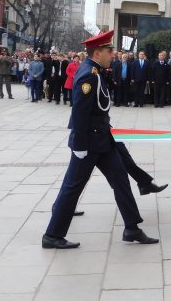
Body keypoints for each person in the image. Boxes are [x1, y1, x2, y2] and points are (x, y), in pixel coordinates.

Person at [42, 30, 158, 249]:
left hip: (102, 139)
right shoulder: (88, 75)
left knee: (121, 180)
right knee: (73, 187)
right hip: (88, 143)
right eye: (109, 50)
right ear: (97, 53)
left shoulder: (96, 71)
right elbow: (80, 113)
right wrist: (79, 146)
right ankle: (52, 235)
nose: (112, 54)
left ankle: (131, 228)